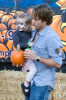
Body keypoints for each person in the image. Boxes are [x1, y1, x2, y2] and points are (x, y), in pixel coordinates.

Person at [22, 4, 63, 100]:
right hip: (32, 81)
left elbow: (58, 63)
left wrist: (37, 58)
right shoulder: (33, 33)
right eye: (32, 18)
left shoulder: (51, 37)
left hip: (42, 83)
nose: (33, 22)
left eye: (36, 19)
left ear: (45, 20)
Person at [12, 13, 37, 96]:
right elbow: (17, 45)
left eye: (22, 24)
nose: (19, 25)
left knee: (37, 69)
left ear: (28, 25)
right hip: (24, 55)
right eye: (17, 23)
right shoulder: (16, 33)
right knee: (34, 70)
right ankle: (26, 84)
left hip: (31, 53)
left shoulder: (30, 32)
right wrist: (28, 44)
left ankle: (32, 83)